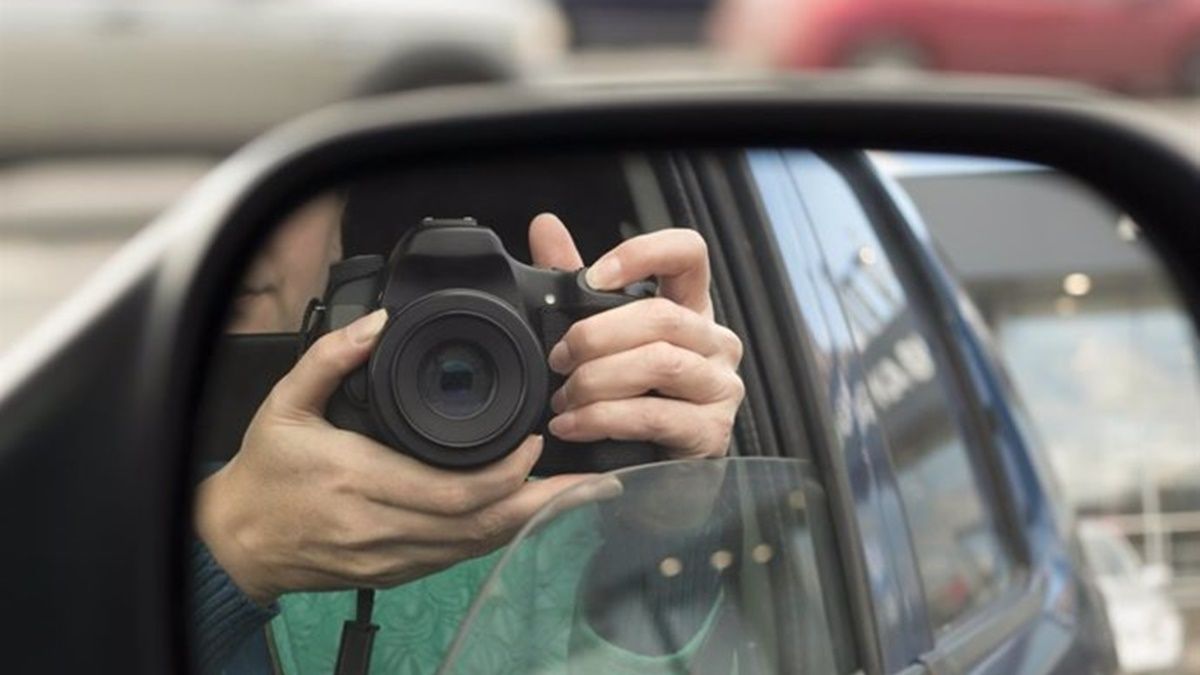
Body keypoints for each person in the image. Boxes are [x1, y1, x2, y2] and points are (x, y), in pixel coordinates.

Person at [191, 203, 746, 673]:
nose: (239, 223)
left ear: (337, 212)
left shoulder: (578, 451)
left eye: (281, 192)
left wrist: (664, 517)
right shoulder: (114, 462)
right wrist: (233, 545)